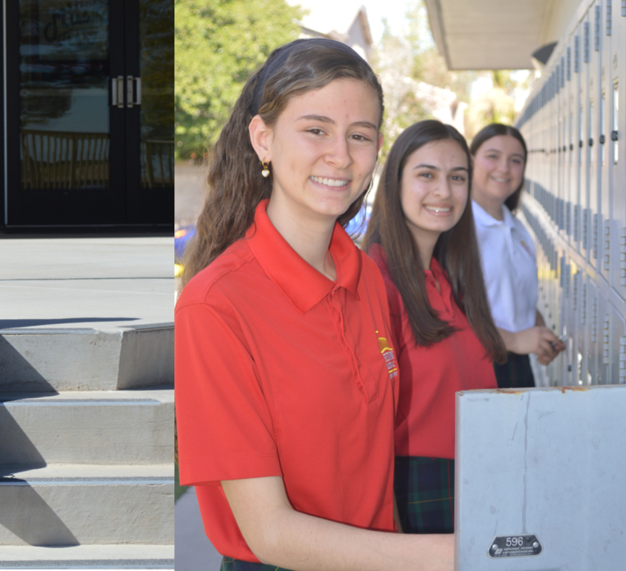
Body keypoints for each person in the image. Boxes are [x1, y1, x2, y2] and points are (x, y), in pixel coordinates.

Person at [175, 38, 454, 570]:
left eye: (360, 136)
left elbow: (376, 472)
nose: (341, 156)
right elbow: (271, 534)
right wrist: (458, 554)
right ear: (263, 139)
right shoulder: (214, 307)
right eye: (316, 130)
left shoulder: (367, 277)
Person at [360, 119, 505, 536]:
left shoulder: (445, 276)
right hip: (417, 489)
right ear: (394, 183)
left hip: (476, 476)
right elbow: (366, 426)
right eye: (427, 175)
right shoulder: (376, 282)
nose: (444, 191)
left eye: (457, 177)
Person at [465, 124, 563, 387]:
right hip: (477, 363)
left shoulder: (517, 227)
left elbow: (515, 293)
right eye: (493, 156)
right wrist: (516, 340)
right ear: (471, 160)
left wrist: (540, 333)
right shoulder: (458, 230)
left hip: (517, 363)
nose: (504, 168)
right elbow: (451, 312)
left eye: (515, 160)